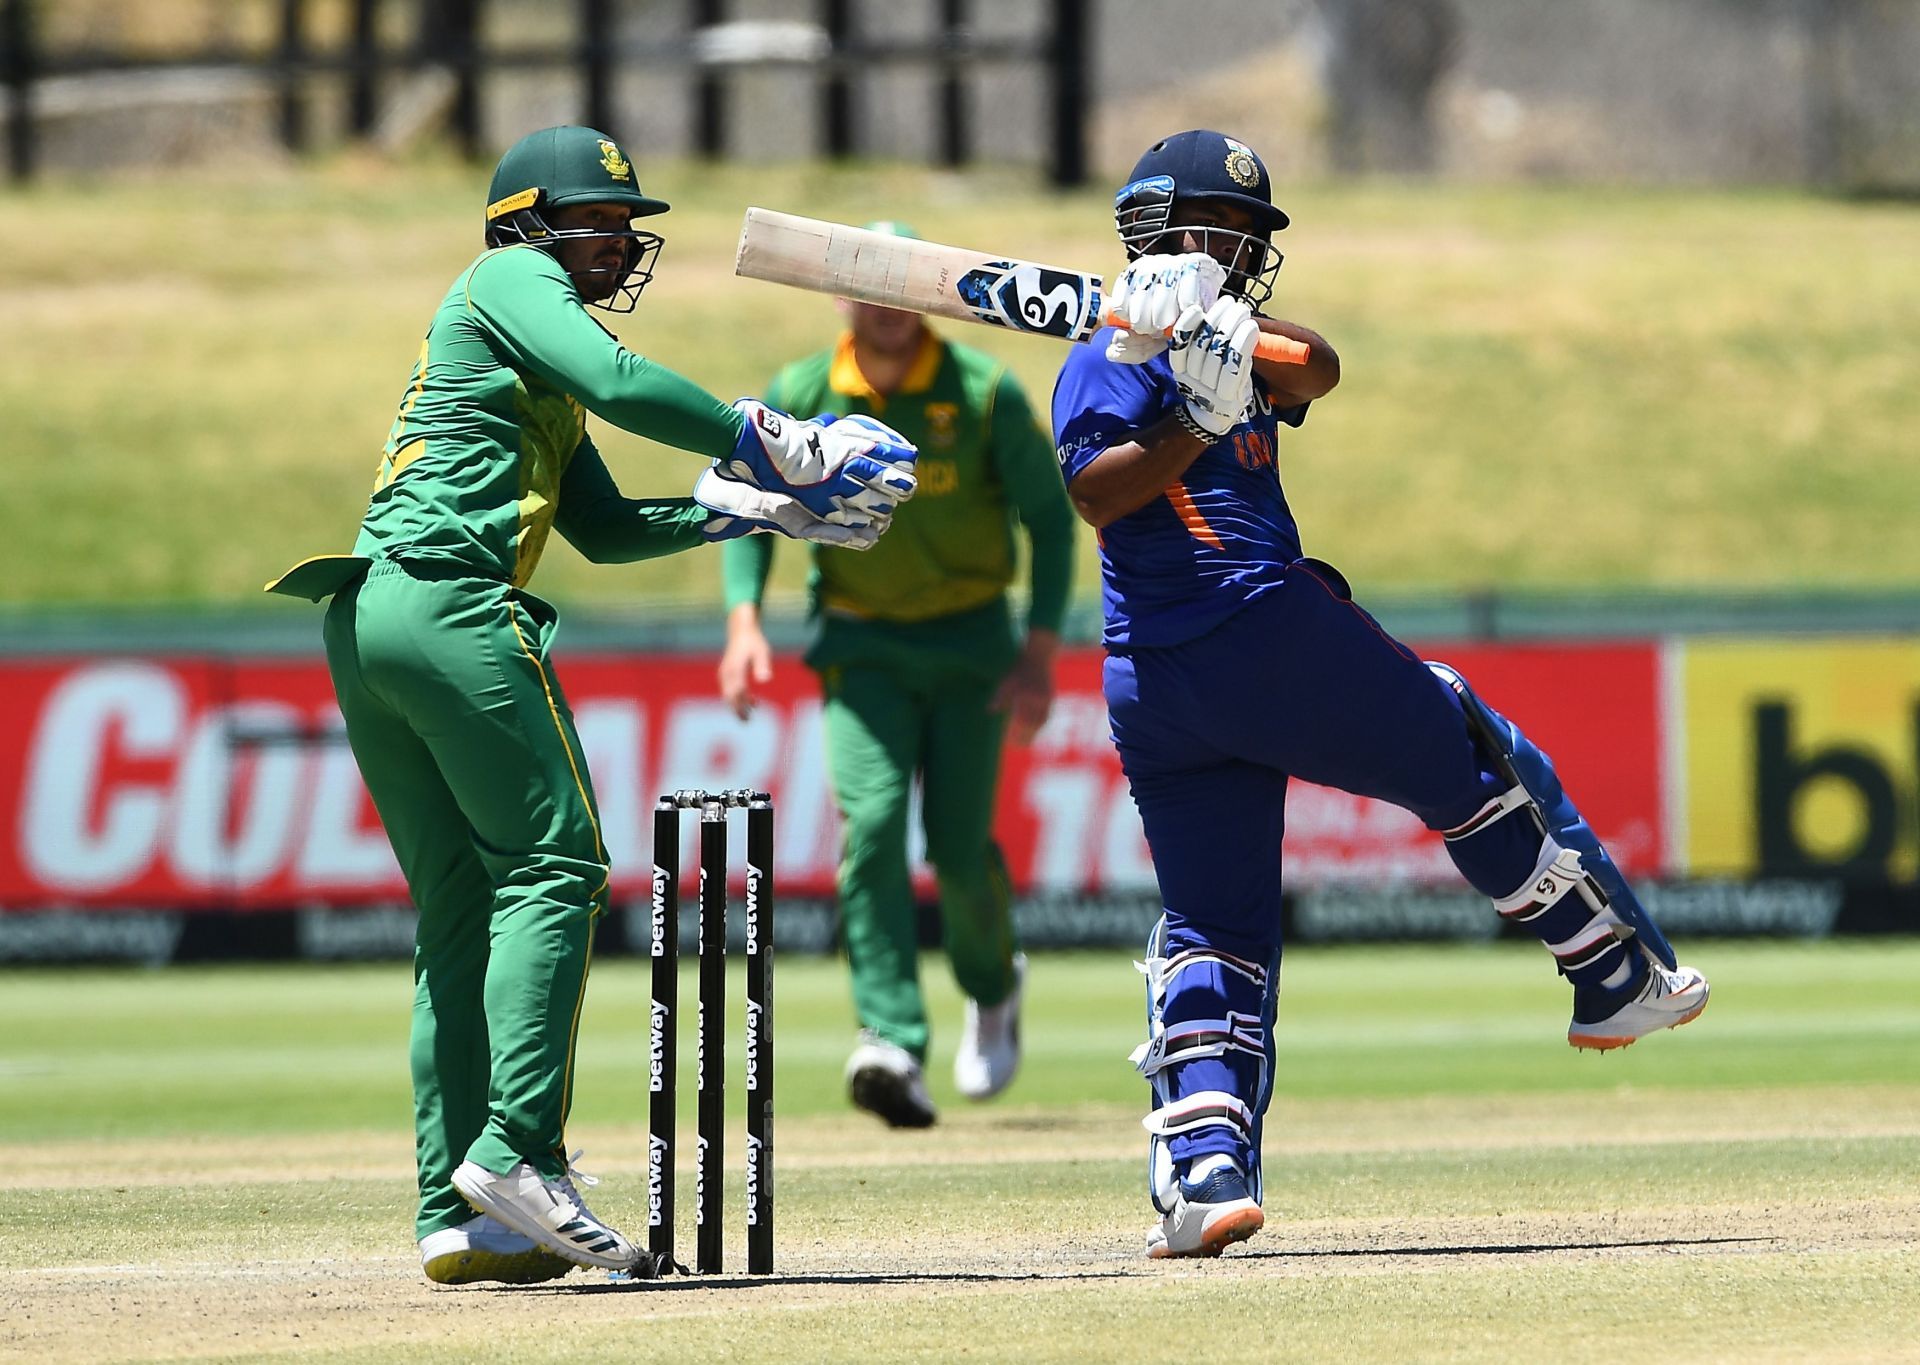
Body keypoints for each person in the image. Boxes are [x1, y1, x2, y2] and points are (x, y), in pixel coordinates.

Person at [266, 125, 918, 1285]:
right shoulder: (508, 278)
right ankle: (517, 1151)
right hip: (451, 610)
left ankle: (458, 1208)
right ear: (526, 223)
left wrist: (752, 513)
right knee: (556, 869)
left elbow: (607, 532)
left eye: (627, 227)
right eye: (598, 225)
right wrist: (780, 443)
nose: (620, 245)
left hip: (371, 620)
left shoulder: (536, 365)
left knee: (464, 904)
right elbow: (624, 384)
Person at [1050, 130, 1710, 1260]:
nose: (1245, 251)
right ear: (1162, 228)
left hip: (1163, 683)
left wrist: (1220, 330)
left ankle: (1203, 1174)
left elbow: (1323, 368)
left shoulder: (1227, 335)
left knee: (1214, 924)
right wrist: (1186, 416)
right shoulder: (1107, 350)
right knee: (1460, 744)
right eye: (1225, 231)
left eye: (1253, 239)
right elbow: (1097, 494)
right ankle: (1605, 971)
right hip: (1250, 628)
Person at [717, 224, 1076, 1128]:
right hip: (862, 647)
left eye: (900, 287)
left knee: (958, 850)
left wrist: (1039, 652)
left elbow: (1054, 521)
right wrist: (745, 621)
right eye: (863, 286)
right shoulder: (803, 391)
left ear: (927, 296)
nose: (882, 305)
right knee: (871, 826)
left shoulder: (984, 393)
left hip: (971, 650)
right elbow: (747, 498)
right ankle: (890, 1036)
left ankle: (994, 985)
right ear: (836, 295)